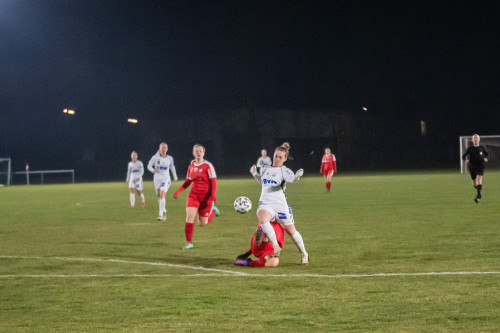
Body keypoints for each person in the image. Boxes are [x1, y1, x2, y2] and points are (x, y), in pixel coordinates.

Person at [250, 142, 309, 264]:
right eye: (276, 156)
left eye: (280, 157)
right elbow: (262, 181)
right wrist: (254, 173)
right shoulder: (265, 168)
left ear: (285, 158)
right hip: (265, 202)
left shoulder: (284, 171)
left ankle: (304, 253)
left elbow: (292, 179)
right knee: (262, 219)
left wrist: (297, 176)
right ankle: (276, 246)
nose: (277, 159)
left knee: (291, 231)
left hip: (280, 204)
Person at [173, 144, 220, 250]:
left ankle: (213, 210)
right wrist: (178, 191)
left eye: (200, 151)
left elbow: (214, 182)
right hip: (193, 196)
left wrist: (213, 197)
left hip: (206, 198)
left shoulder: (208, 166)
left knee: (202, 223)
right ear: (193, 153)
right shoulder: (191, 166)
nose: (198, 153)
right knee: (189, 216)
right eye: (196, 151)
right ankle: (189, 242)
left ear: (204, 153)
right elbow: (188, 181)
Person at [147, 142, 178, 220]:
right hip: (157, 179)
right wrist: (152, 170)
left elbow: (172, 167)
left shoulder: (170, 158)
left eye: (165, 148)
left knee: (162, 195)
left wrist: (175, 177)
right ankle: (163, 208)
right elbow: (149, 165)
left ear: (167, 149)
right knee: (159, 196)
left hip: (166, 179)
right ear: (159, 149)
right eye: (162, 148)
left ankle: (160, 214)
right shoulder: (155, 158)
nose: (163, 149)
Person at [462, 134, 489, 203]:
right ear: (472, 140)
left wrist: (485, 158)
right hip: (472, 166)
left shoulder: (482, 147)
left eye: (477, 138)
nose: (476, 139)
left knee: (479, 179)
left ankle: (478, 195)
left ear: (479, 139)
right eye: (474, 138)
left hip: (480, 165)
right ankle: (479, 190)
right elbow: (464, 155)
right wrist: (466, 159)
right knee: (475, 183)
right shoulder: (470, 148)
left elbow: (486, 154)